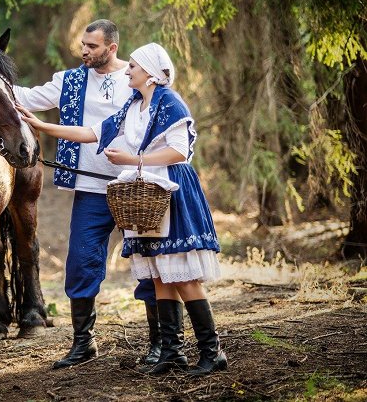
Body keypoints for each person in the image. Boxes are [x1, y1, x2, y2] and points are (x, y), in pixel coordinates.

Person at [18, 42, 228, 376]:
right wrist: (42, 126)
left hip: (171, 188)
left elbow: (180, 150)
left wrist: (134, 160)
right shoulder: (133, 105)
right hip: (145, 191)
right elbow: (91, 133)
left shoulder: (169, 102)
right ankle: (172, 352)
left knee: (181, 273)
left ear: (150, 73)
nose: (127, 71)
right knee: (159, 273)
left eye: (133, 66)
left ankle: (212, 351)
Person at [14, 20, 161, 369]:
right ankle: (84, 342)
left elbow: (162, 119)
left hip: (134, 187)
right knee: (80, 262)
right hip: (90, 187)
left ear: (111, 48)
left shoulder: (136, 77)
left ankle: (161, 342)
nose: (84, 51)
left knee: (148, 261)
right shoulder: (71, 80)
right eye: (83, 44)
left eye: (92, 47)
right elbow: (28, 96)